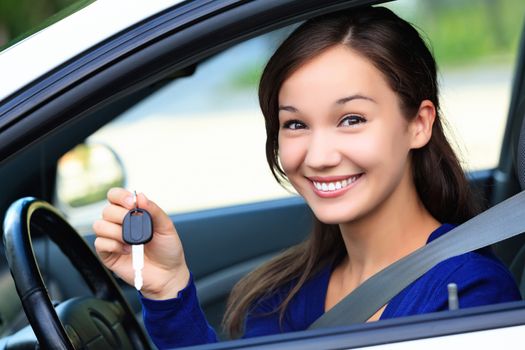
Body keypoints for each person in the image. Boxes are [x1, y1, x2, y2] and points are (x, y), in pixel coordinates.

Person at [93, 6, 522, 349]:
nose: (318, 156)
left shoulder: (470, 297)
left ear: (418, 124)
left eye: (351, 119)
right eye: (296, 125)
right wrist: (168, 288)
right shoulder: (282, 297)